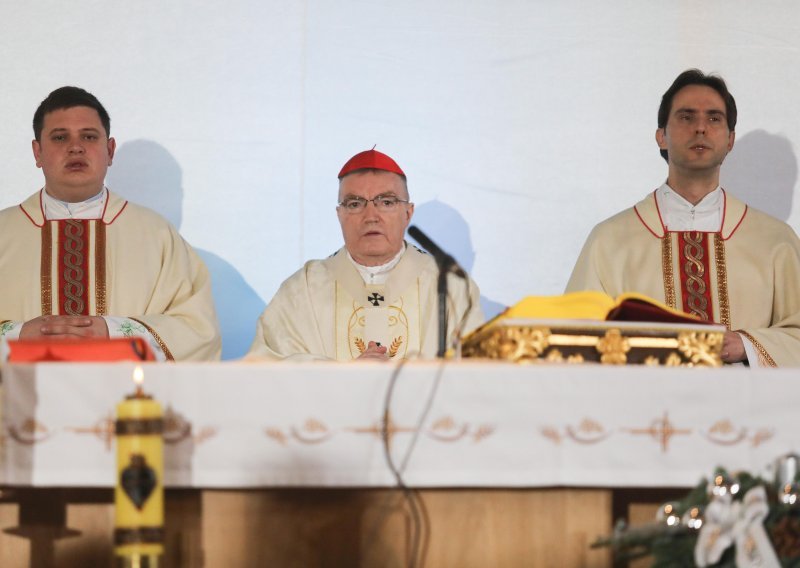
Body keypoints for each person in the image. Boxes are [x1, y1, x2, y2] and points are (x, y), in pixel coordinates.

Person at [566, 69, 800, 367]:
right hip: (645, 411)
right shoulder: (610, 241)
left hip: (748, 410)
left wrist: (746, 344)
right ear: (661, 136)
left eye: (714, 118)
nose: (701, 127)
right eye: (686, 117)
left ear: (730, 140)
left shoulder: (775, 241)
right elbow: (574, 342)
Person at [0, 86, 221, 361]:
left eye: (89, 136)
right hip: (18, 401)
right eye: (59, 137)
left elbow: (198, 331)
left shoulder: (156, 235)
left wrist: (113, 332)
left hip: (126, 402)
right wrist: (17, 336)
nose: (75, 147)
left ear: (110, 150)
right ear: (37, 152)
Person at [247, 149, 484, 361]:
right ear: (339, 214)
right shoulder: (302, 291)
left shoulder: (450, 288)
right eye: (354, 204)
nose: (371, 216)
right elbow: (268, 369)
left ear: (408, 213)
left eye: (386, 202)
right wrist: (346, 378)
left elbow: (477, 374)